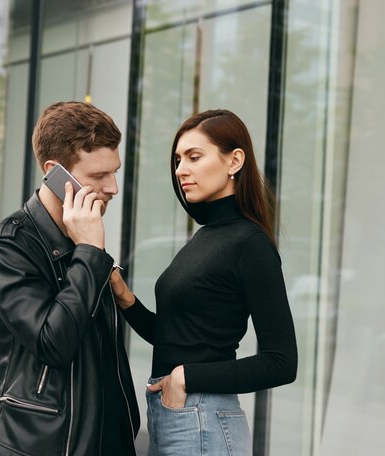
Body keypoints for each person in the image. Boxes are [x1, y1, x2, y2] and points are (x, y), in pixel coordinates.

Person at [110, 109, 298, 456]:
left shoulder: (249, 243)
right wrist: (126, 300)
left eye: (194, 157)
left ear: (234, 161)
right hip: (176, 413)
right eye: (179, 159)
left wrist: (185, 378)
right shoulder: (206, 237)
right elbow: (178, 338)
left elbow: (282, 361)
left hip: (203, 417)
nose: (181, 169)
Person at [0, 101, 140, 456]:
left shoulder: (81, 238)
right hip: (45, 444)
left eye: (115, 172)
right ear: (55, 173)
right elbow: (54, 343)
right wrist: (90, 252)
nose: (113, 188)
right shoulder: (7, 247)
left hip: (108, 441)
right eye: (98, 176)